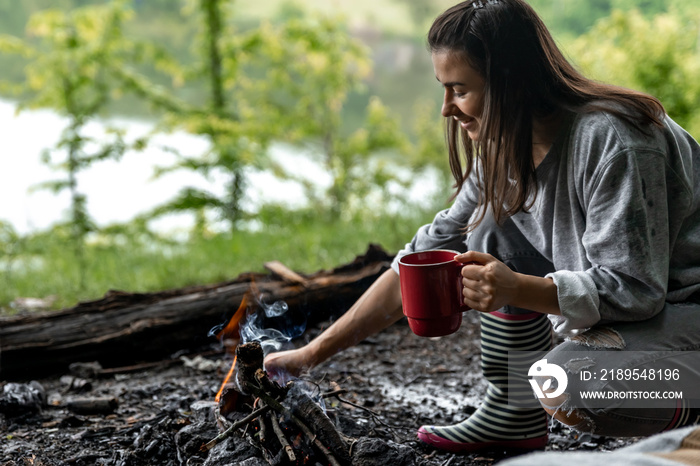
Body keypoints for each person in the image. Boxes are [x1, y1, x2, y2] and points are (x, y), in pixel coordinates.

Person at [264, 0, 700, 454]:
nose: (446, 109)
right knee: (487, 226)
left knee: (570, 384)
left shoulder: (615, 141)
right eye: (443, 89)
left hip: (688, 305)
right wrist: (308, 356)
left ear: (512, 84)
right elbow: (417, 261)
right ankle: (512, 414)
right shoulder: (505, 147)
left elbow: (634, 288)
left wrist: (514, 289)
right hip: (653, 313)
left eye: (459, 90)